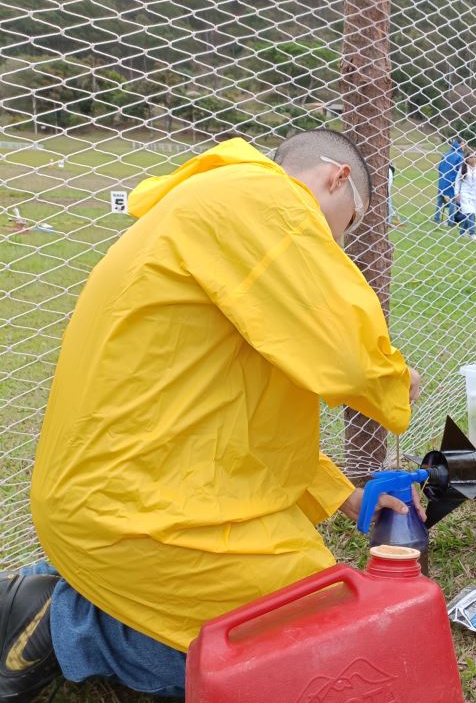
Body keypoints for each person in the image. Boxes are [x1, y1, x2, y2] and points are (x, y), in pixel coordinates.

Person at [5, 130, 423, 701]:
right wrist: (396, 380)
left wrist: (343, 495)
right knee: (309, 636)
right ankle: (67, 622)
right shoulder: (263, 200)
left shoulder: (219, 214)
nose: (339, 246)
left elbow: (251, 421)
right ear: (337, 179)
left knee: (319, 612)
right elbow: (350, 361)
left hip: (145, 491)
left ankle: (82, 592)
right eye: (347, 226)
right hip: (137, 509)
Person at [453, 152, 476, 240]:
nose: (473, 159)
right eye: (471, 157)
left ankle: (462, 232)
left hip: (474, 195)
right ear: (467, 159)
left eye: (474, 157)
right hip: (464, 194)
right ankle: (472, 233)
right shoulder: (463, 169)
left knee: (470, 214)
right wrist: (456, 193)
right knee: (470, 212)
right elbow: (457, 181)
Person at [434, 137, 463, 225]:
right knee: (452, 201)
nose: (464, 146)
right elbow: (461, 170)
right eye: (463, 144)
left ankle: (437, 218)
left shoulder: (445, 154)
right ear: (459, 144)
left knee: (440, 200)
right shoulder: (460, 156)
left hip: (442, 180)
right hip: (453, 181)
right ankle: (451, 221)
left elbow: (439, 168)